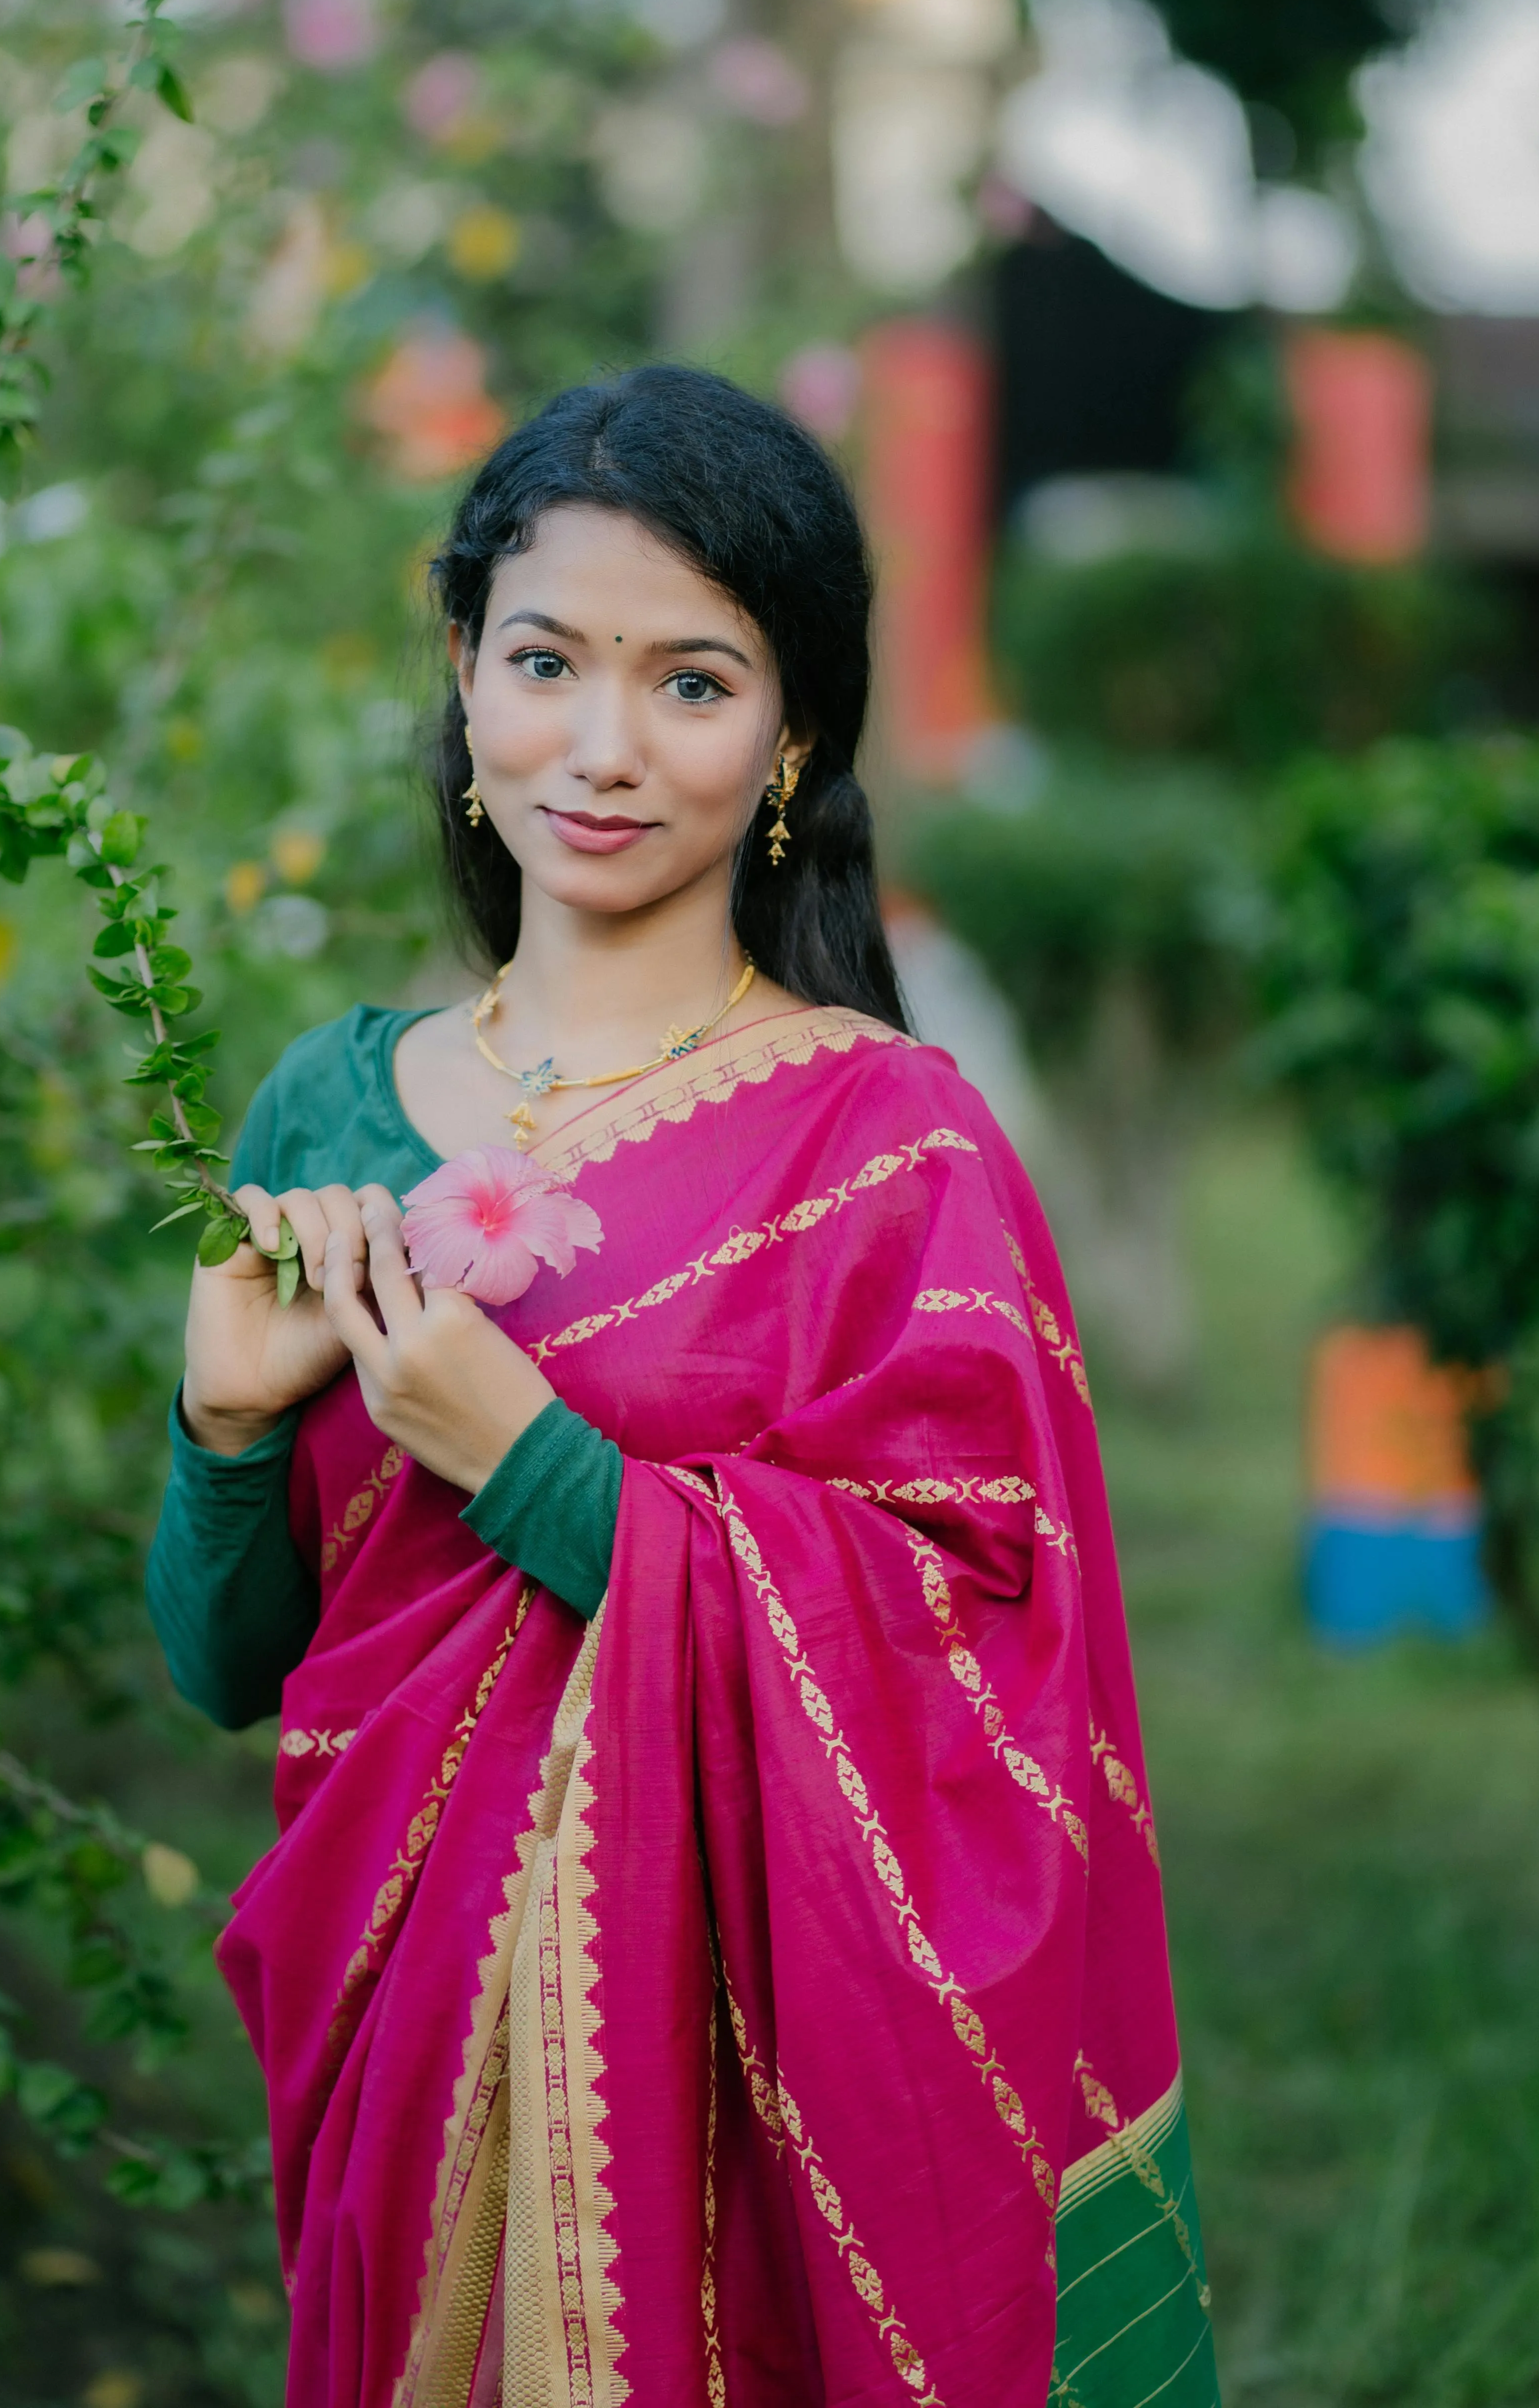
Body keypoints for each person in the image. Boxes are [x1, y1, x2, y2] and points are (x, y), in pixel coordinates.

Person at [147, 364, 1219, 2408]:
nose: (604, 750)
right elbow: (226, 1667)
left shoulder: (890, 1147)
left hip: (760, 2112)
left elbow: (993, 1678)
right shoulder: (326, 1105)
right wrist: (218, 1437)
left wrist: (539, 1469)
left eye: (693, 683)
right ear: (464, 669)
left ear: (795, 732)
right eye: (546, 660)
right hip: (401, 2060)